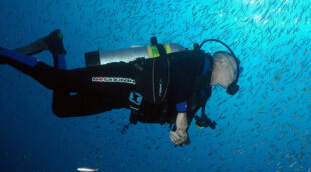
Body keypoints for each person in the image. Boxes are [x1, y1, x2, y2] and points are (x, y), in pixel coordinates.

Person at [0, 30, 241, 146]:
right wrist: (180, 114)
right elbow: (175, 74)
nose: (236, 78)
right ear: (222, 61)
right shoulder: (200, 60)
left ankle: (56, 48)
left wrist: (182, 136)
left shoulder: (202, 94)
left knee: (62, 108)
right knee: (54, 81)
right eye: (235, 70)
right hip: (127, 78)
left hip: (124, 100)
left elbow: (179, 117)